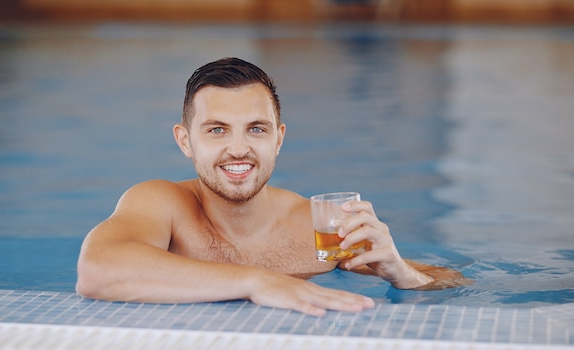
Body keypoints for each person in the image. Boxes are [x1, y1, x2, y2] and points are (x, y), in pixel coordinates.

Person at [76, 57, 468, 316]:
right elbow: (96, 272)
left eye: (256, 129)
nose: (238, 149)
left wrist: (400, 271)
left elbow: (452, 283)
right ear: (185, 141)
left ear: (278, 139)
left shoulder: (316, 228)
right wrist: (256, 281)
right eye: (217, 130)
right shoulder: (163, 204)